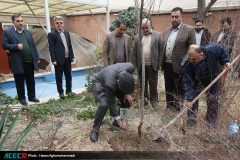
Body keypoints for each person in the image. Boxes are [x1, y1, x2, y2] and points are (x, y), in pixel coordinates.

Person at [182, 44, 231, 128]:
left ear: (201, 55)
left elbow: (222, 50)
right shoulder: (188, 64)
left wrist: (225, 61)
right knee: (192, 101)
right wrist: (189, 98)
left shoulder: (212, 50)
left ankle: (211, 122)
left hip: (212, 78)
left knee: (212, 100)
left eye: (194, 60)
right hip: (196, 81)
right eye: (189, 59)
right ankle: (191, 121)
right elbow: (188, 82)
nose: (191, 61)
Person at [159, 7, 196, 111]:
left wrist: (187, 65)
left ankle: (177, 108)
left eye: (176, 17)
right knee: (168, 87)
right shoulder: (166, 31)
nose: (174, 19)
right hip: (167, 64)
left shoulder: (189, 30)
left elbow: (192, 49)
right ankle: (169, 106)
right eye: (172, 17)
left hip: (180, 65)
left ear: (182, 17)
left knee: (178, 88)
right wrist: (161, 62)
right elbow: (163, 48)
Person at [90, 63, 135, 142]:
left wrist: (127, 94)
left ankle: (116, 123)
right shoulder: (110, 83)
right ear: (118, 82)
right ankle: (95, 130)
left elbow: (127, 80)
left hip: (115, 83)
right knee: (104, 104)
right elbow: (111, 103)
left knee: (127, 101)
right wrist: (118, 119)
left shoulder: (130, 67)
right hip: (100, 84)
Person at [2, 14, 40, 105]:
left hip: (29, 61)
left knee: (31, 80)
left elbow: (33, 46)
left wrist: (36, 57)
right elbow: (4, 45)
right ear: (13, 22)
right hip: (18, 62)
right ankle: (22, 98)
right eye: (18, 21)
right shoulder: (8, 32)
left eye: (21, 21)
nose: (20, 23)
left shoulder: (28, 32)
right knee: (19, 81)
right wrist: (16, 46)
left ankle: (32, 96)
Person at [133, 18, 162, 108]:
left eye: (147, 28)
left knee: (153, 84)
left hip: (153, 64)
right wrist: (135, 64)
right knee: (143, 84)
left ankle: (154, 100)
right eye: (143, 28)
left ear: (150, 26)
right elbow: (134, 52)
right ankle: (145, 99)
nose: (145, 30)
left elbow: (161, 51)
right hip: (141, 65)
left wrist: (160, 64)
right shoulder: (138, 37)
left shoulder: (157, 35)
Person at [48, 16, 76, 99]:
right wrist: (53, 60)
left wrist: (72, 56)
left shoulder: (67, 33)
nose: (59, 24)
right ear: (55, 24)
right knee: (59, 77)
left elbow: (69, 45)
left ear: (63, 24)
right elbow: (51, 48)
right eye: (57, 23)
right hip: (58, 60)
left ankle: (69, 91)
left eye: (61, 22)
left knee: (68, 76)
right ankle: (61, 92)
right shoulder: (52, 34)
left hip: (67, 58)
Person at [212, 17, 237, 93]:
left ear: (230, 25)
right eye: (222, 26)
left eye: (225, 26)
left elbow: (228, 48)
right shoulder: (217, 33)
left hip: (224, 61)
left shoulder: (233, 35)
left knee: (222, 79)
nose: (223, 28)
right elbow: (211, 42)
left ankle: (220, 95)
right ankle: (214, 93)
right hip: (214, 59)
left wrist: (216, 50)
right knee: (214, 78)